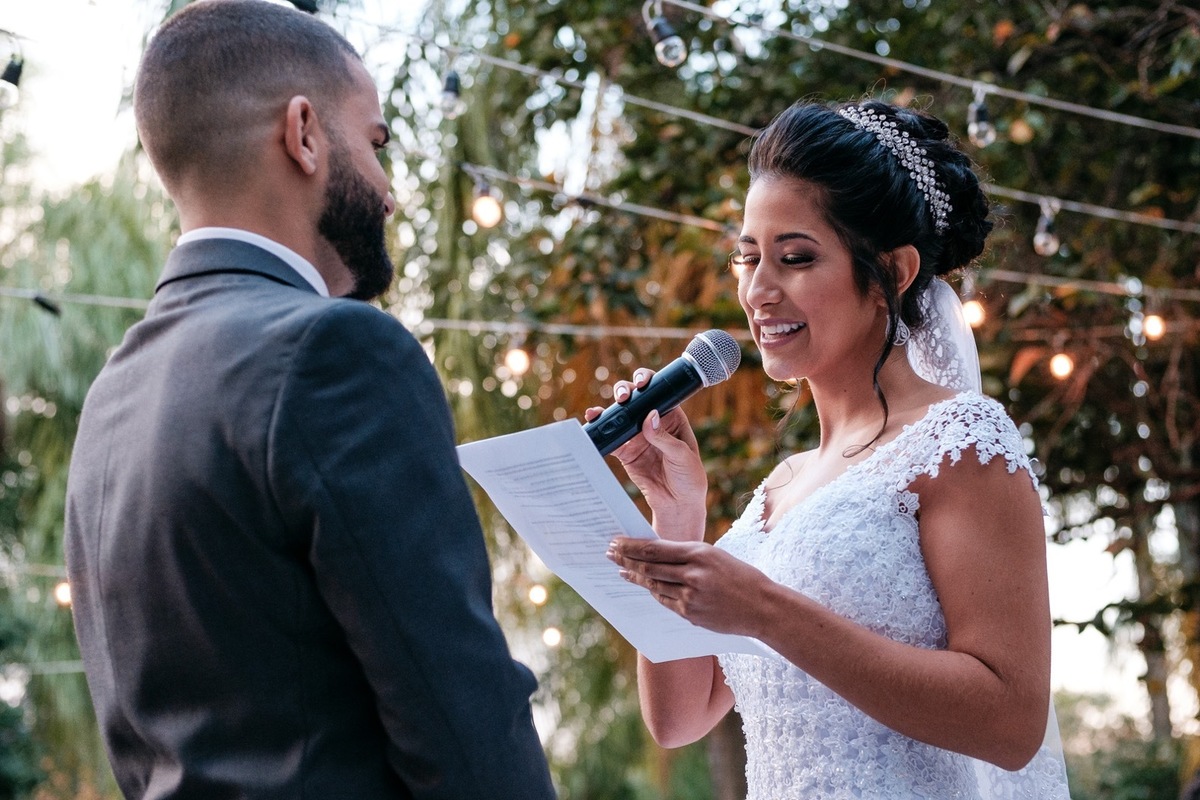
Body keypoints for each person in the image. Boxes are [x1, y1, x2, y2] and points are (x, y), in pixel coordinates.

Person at [63, 2, 556, 798]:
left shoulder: (112, 396)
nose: (390, 191)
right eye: (375, 142)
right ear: (304, 133)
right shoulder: (340, 351)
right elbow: (458, 711)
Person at [598, 99, 1072, 797]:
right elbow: (678, 717)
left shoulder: (959, 442)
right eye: (748, 257)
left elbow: (1010, 720)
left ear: (895, 272)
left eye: (795, 258)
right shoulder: (782, 488)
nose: (758, 291)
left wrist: (764, 609)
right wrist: (677, 515)